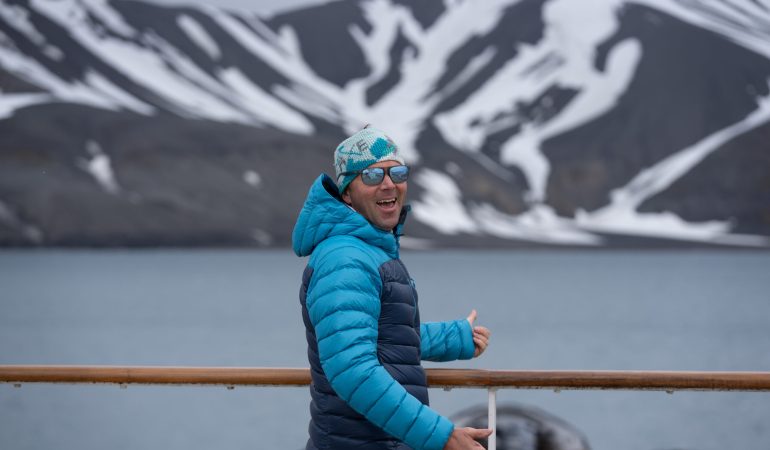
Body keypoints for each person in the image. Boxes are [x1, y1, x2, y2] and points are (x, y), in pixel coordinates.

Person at [292, 125, 492, 450]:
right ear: (347, 193)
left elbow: (382, 337)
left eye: (397, 172)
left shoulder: (368, 251)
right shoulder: (345, 259)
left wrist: (454, 338)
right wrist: (442, 436)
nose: (388, 183)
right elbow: (353, 369)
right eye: (371, 175)